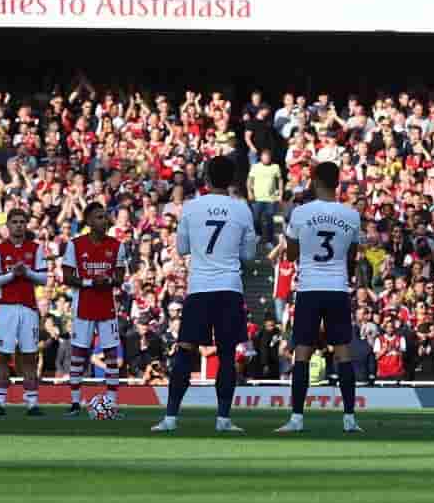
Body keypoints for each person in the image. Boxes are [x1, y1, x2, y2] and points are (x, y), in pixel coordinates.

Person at [152, 154, 256, 434]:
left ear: (206, 178)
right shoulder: (242, 209)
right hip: (229, 288)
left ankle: (171, 418)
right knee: (226, 354)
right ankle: (223, 419)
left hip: (199, 288)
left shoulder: (191, 207)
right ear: (232, 179)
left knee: (185, 349)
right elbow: (249, 254)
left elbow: (183, 248)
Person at [277, 161, 365, 433]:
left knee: (302, 353)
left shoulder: (301, 213)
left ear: (314, 182)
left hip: (309, 288)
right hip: (337, 288)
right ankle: (350, 419)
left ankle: (296, 419)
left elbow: (291, 256)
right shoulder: (351, 215)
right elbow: (352, 256)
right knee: (343, 353)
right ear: (338, 183)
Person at [60, 202, 126, 417]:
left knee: (111, 355)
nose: (104, 221)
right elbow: (67, 277)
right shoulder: (75, 245)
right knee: (78, 353)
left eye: (105, 217)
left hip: (107, 308)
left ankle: (112, 404)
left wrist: (106, 280)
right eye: (99, 217)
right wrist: (91, 283)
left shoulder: (117, 245)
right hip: (83, 307)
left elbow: (119, 277)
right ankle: (75, 403)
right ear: (88, 221)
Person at [0, 209, 49, 416]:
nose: (19, 225)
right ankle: (0, 403)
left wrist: (26, 272)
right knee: (3, 356)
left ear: (26, 224)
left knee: (29, 357)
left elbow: (44, 278)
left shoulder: (35, 249)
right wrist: (13, 274)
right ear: (8, 226)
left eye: (22, 222)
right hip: (7, 308)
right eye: (15, 222)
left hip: (29, 308)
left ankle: (32, 404)